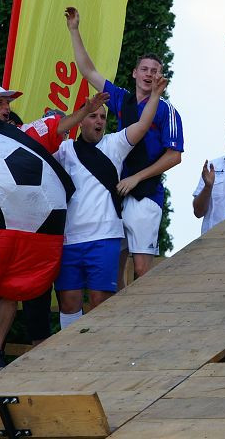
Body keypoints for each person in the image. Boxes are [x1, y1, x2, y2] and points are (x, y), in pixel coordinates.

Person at [0, 61, 103, 369]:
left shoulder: (23, 135)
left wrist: (84, 110)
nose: (5, 108)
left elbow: (58, 126)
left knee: (13, 288)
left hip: (13, 231)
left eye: (7, 103)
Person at [67, 7, 184, 278]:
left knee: (141, 268)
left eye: (155, 71)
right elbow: (88, 71)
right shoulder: (121, 99)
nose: (149, 74)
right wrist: (74, 30)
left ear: (161, 77)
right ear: (134, 73)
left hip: (145, 194)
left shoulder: (168, 110)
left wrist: (138, 178)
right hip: (115, 192)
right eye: (144, 69)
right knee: (114, 265)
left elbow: (174, 156)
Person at [55, 77, 166, 329]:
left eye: (103, 117)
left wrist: (156, 96)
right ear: (81, 120)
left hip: (105, 237)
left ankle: (98, 357)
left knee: (100, 301)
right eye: (93, 116)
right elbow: (53, 133)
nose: (99, 122)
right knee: (69, 302)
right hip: (70, 238)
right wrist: (82, 109)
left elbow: (142, 125)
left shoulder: (114, 145)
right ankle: (68, 355)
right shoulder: (65, 150)